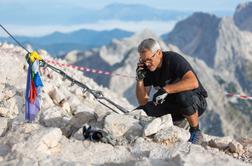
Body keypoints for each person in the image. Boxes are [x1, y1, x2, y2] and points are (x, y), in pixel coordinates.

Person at [135, 38, 208, 144]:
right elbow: (143, 101)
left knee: (183, 96)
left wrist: (166, 89)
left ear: (158, 53)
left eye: (149, 59)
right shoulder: (147, 69)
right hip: (172, 104)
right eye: (143, 60)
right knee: (142, 110)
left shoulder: (173, 59)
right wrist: (140, 80)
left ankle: (195, 131)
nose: (146, 64)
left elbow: (193, 82)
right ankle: (176, 123)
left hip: (195, 102)